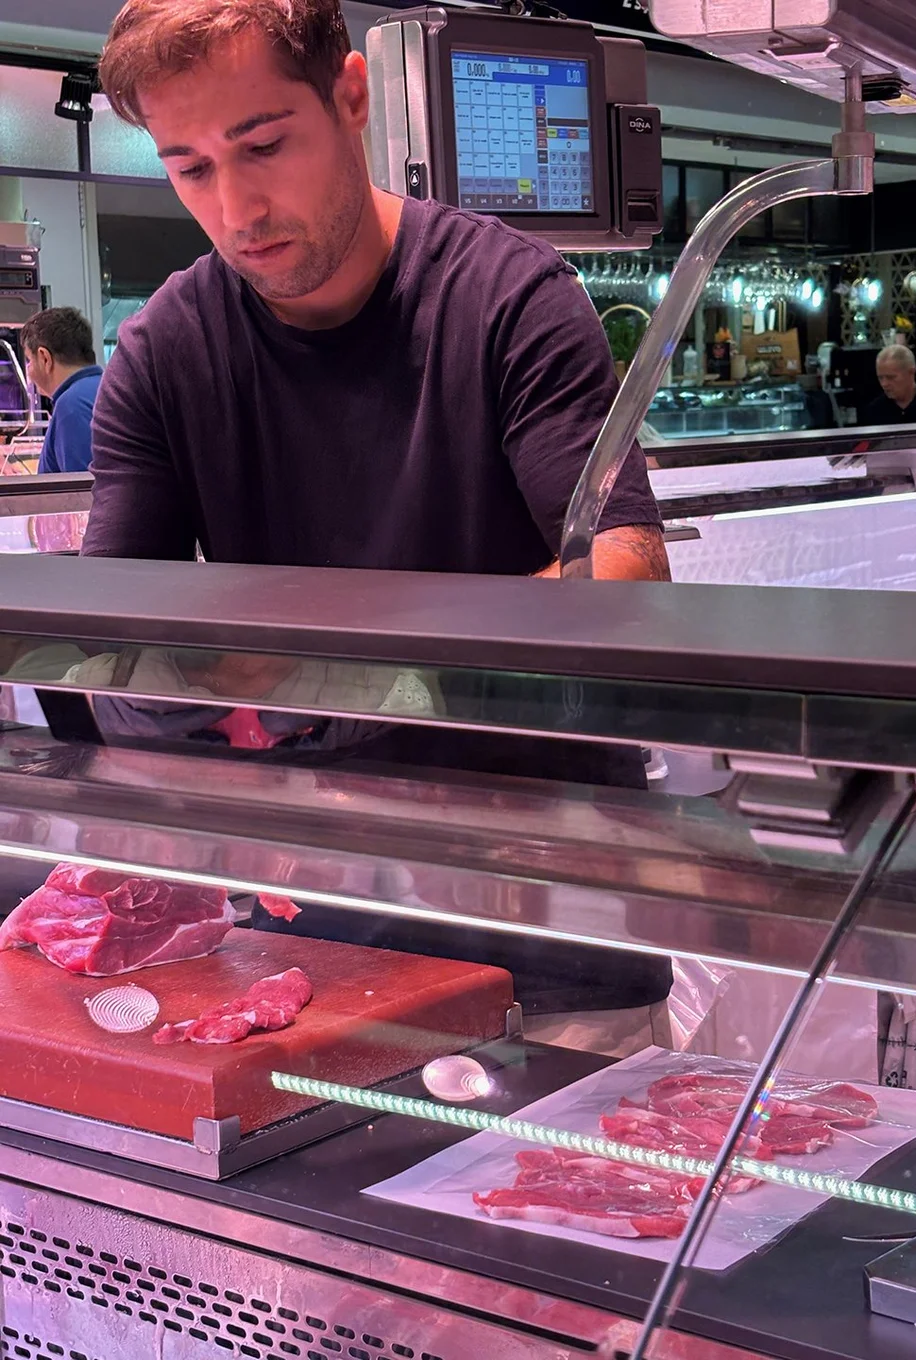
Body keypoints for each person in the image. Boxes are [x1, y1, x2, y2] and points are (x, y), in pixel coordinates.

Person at [83, 0, 672, 1053]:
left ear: (349, 97)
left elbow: (623, 576)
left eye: (265, 146)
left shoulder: (510, 297)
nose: (236, 206)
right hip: (307, 951)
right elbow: (110, 650)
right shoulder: (165, 349)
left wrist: (319, 680)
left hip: (551, 945)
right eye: (192, 168)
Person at [22, 308, 103, 473]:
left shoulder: (71, 405)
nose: (28, 370)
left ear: (45, 358)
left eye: (29, 360)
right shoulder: (104, 387)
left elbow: (82, 486)